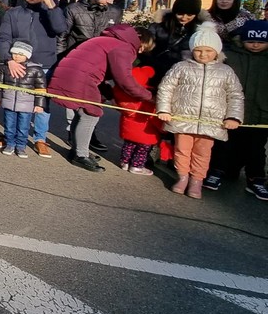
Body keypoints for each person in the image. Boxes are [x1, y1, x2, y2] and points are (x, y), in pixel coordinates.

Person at [48, 25, 154, 173]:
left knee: (82, 114)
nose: (140, 51)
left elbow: (100, 71)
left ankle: (78, 149)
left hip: (72, 73)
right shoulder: (124, 47)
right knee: (90, 114)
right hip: (82, 77)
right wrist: (149, 96)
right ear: (140, 40)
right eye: (143, 47)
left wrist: (110, 94)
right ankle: (80, 155)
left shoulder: (109, 40)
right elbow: (125, 80)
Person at [157, 28, 244, 199]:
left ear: (217, 51)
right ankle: (182, 177)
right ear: (192, 50)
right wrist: (164, 109)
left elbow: (235, 95)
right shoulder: (181, 67)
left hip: (210, 122)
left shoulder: (225, 71)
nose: (203, 54)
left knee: (202, 153)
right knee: (182, 150)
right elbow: (166, 88)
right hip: (183, 118)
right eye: (198, 50)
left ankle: (196, 180)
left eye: (208, 51)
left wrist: (233, 116)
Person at [0, 0, 66, 156]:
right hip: (18, 64)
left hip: (44, 64)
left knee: (42, 104)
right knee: (14, 102)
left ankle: (40, 138)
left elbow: (60, 29)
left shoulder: (52, 12)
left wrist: (51, 6)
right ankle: (10, 135)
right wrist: (8, 59)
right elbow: (4, 37)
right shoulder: (14, 13)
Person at [57, 0, 123, 152]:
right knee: (74, 101)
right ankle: (73, 134)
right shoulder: (73, 9)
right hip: (75, 60)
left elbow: (115, 37)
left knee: (94, 101)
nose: (110, 2)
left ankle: (89, 134)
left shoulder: (115, 11)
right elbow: (62, 36)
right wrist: (61, 60)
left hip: (100, 64)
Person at [205, 20, 268, 200]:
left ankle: (256, 179)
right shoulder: (230, 56)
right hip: (230, 111)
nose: (255, 45)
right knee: (224, 144)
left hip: (261, 113)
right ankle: (216, 171)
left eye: (261, 42)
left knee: (256, 149)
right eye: (250, 41)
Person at [0, 41, 46, 158]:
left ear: (27, 55)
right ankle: (10, 144)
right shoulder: (5, 67)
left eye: (21, 54)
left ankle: (21, 146)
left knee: (23, 127)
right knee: (9, 126)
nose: (17, 56)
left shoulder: (36, 69)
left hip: (26, 105)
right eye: (14, 53)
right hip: (9, 102)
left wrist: (39, 105)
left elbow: (40, 88)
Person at [112, 63, 162, 176]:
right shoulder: (148, 97)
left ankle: (124, 162)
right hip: (145, 131)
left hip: (129, 128)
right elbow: (153, 117)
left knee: (128, 145)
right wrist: (161, 128)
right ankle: (136, 166)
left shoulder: (126, 95)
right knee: (142, 150)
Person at [148, 0, 204, 83]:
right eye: (180, 14)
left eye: (189, 15)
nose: (184, 18)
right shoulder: (158, 26)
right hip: (155, 72)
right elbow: (146, 48)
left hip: (184, 75)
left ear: (196, 15)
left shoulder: (200, 30)